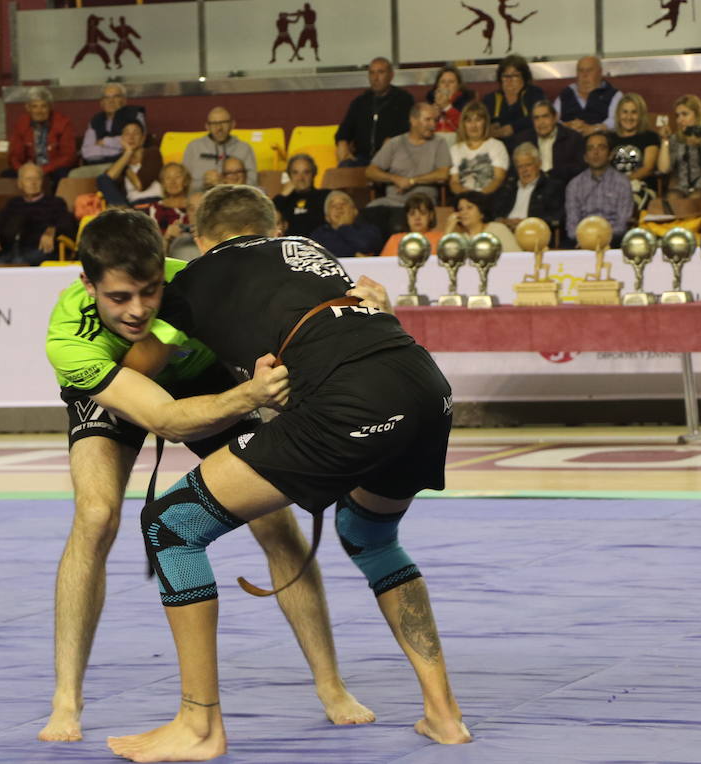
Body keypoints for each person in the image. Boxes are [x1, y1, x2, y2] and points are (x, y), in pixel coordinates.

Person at [105, 186, 470, 761]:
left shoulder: (195, 280)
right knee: (370, 538)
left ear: (200, 241)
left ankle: (199, 727)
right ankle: (444, 715)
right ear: (273, 226)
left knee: (170, 525)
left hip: (350, 400)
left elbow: (137, 365)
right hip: (425, 386)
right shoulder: (309, 252)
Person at [38, 206, 373, 743]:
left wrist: (359, 303)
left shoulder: (198, 281)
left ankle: (331, 685)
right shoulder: (68, 339)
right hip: (119, 388)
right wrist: (249, 395)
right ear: (87, 284)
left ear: (164, 268)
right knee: (95, 515)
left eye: (150, 290)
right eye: (120, 297)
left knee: (275, 526)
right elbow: (161, 419)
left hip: (201, 381)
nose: (138, 309)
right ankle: (66, 697)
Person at [365, 102, 451, 233]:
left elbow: (443, 174)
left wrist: (412, 181)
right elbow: (370, 171)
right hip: (392, 202)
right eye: (428, 120)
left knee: (397, 224)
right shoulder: (395, 143)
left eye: (435, 120)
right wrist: (394, 178)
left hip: (421, 205)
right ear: (413, 120)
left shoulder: (439, 143)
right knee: (366, 217)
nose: (433, 125)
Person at [656, 95, 701, 217]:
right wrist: (665, 141)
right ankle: (676, 234)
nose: (680, 120)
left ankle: (691, 232)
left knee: (694, 199)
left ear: (697, 115)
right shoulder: (675, 139)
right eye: (677, 115)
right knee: (670, 198)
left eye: (685, 114)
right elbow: (663, 169)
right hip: (682, 189)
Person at [335, 58, 414, 167]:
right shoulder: (360, 102)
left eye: (381, 72)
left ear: (391, 75)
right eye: (372, 73)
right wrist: (342, 142)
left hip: (392, 158)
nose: (375, 78)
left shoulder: (403, 99)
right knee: (344, 167)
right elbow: (344, 130)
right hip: (362, 158)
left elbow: (407, 130)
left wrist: (390, 144)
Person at [0, 163, 74, 265]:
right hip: (11, 251)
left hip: (40, 249)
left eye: (37, 179)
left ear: (42, 182)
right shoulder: (13, 203)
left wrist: (52, 230)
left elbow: (67, 225)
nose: (33, 183)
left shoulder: (56, 202)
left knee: (19, 263)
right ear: (20, 183)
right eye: (28, 179)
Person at [565, 132, 634, 245]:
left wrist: (600, 237)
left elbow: (622, 224)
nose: (595, 153)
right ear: (585, 157)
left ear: (610, 155)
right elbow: (572, 227)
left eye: (601, 148)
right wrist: (587, 238)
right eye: (590, 148)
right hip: (582, 242)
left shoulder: (622, 183)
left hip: (613, 242)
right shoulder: (574, 185)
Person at [75, 83, 146, 176]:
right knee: (74, 175)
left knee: (108, 176)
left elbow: (135, 143)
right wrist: (117, 148)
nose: (111, 101)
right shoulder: (95, 120)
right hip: (98, 165)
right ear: (101, 103)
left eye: (116, 97)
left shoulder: (134, 115)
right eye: (106, 98)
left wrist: (105, 142)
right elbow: (87, 152)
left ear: (124, 100)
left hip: (126, 163)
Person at [491, 143, 565, 232]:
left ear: (539, 164)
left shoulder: (552, 186)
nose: (524, 170)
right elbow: (494, 214)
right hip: (506, 231)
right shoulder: (508, 187)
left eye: (528, 165)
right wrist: (502, 221)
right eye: (520, 166)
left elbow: (555, 218)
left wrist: (527, 222)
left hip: (533, 233)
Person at [8, 87, 77, 181]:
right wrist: (23, 170)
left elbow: (68, 156)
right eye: (34, 106)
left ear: (50, 107)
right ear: (28, 108)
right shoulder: (21, 124)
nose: (39, 111)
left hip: (55, 168)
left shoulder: (63, 123)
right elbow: (15, 156)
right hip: (29, 168)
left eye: (43, 106)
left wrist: (43, 169)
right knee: (6, 175)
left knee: (63, 174)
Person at [181, 107, 256, 194]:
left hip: (235, 199)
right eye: (214, 124)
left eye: (224, 123)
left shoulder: (244, 148)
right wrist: (203, 183)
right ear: (207, 127)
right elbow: (183, 183)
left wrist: (226, 183)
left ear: (232, 124)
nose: (219, 128)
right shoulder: (193, 147)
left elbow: (253, 183)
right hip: (200, 200)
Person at [514, 99, 585, 182]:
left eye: (545, 116)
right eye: (536, 118)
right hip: (533, 188)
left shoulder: (573, 138)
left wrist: (553, 175)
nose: (541, 122)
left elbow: (580, 169)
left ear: (555, 117)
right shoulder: (523, 139)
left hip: (562, 187)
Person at [448, 100, 508, 199]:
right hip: (463, 200)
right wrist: (466, 196)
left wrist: (479, 197)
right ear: (463, 124)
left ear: (485, 122)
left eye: (478, 120)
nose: (473, 125)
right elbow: (454, 182)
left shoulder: (497, 146)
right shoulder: (455, 149)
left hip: (489, 199)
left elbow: (498, 179)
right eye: (469, 121)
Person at [612, 93, 662, 208]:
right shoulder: (610, 138)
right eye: (625, 112)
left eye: (634, 112)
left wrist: (623, 181)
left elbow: (648, 168)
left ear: (641, 115)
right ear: (618, 114)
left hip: (641, 187)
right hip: (612, 189)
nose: (629, 117)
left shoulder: (650, 137)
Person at [98, 122, 162, 206]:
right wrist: (128, 152)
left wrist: (126, 168)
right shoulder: (120, 160)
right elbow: (107, 179)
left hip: (154, 203)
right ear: (121, 139)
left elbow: (140, 185)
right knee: (102, 179)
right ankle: (123, 214)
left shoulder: (152, 153)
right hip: (133, 207)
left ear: (143, 138)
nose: (131, 137)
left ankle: (123, 215)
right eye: (127, 134)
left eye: (135, 133)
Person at [554, 56, 620, 137]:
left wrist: (594, 129)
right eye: (581, 71)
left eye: (589, 70)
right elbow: (552, 121)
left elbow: (616, 121)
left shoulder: (614, 95)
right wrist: (567, 126)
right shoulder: (565, 94)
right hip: (569, 144)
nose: (584, 75)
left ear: (600, 73)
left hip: (601, 142)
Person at [309, 190, 382, 257]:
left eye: (343, 203)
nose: (339, 208)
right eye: (333, 206)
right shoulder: (319, 234)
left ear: (355, 211)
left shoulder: (370, 230)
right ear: (327, 217)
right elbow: (325, 252)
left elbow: (365, 246)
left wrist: (343, 227)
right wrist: (355, 254)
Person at [444, 189, 521, 251]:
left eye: (469, 207)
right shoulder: (460, 238)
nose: (463, 212)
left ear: (482, 212)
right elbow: (443, 261)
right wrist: (448, 230)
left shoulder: (498, 229)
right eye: (460, 209)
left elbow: (516, 257)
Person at [272, 153, 328, 237]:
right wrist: (282, 195)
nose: (301, 178)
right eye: (295, 173)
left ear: (314, 174)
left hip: (317, 246)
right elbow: (266, 219)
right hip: (287, 247)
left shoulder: (325, 196)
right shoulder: (282, 201)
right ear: (289, 175)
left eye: (306, 172)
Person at [425, 66, 473, 135]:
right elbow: (422, 131)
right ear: (437, 85)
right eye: (443, 82)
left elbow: (467, 128)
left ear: (458, 86)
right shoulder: (428, 104)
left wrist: (447, 108)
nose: (446, 85)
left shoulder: (467, 104)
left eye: (451, 82)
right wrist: (432, 117)